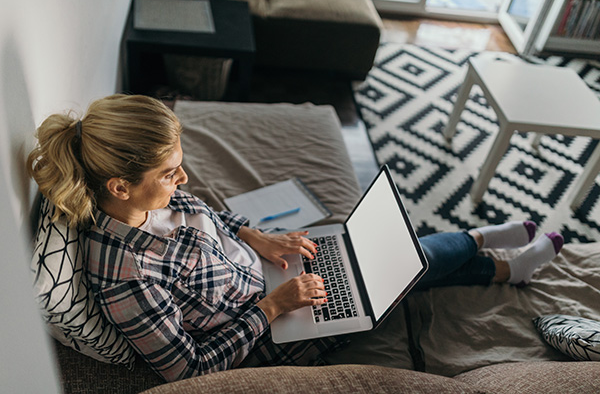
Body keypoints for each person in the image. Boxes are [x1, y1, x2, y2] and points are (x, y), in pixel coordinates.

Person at [27, 94, 564, 382]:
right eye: (170, 172)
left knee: (381, 257)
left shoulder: (147, 201)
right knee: (392, 263)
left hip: (265, 273)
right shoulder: (126, 277)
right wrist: (275, 305)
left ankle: (505, 265)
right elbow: (186, 369)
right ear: (120, 186)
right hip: (273, 333)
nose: (183, 180)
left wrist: (256, 236)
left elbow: (204, 213)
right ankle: (487, 245)